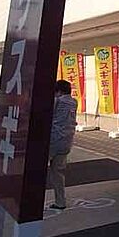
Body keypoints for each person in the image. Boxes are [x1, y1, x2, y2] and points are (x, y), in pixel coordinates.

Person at [48, 80, 78, 210]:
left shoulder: (57, 101)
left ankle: (32, 199)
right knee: (58, 173)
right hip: (67, 141)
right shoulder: (74, 102)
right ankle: (60, 202)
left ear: (59, 91)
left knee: (37, 170)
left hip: (53, 140)